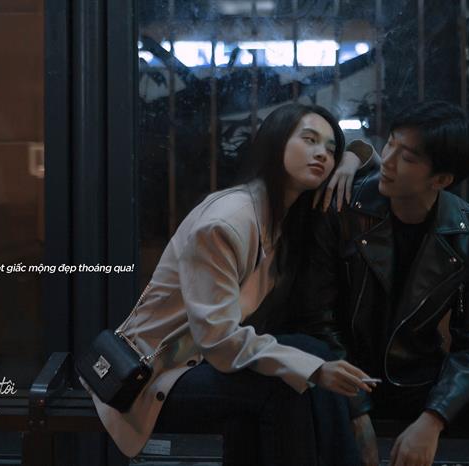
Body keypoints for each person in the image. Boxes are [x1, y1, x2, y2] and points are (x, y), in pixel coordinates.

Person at [88, 103, 379, 465]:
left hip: (204, 361)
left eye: (330, 149)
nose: (322, 153)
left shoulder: (279, 215)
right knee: (288, 384)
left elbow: (373, 156)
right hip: (156, 378)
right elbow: (219, 340)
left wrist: (349, 159)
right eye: (309, 140)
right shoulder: (227, 223)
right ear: (275, 143)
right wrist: (316, 371)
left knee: (310, 350)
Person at [297, 100, 469, 466]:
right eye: (390, 144)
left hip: (419, 378)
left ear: (441, 180)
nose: (388, 160)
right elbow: (317, 320)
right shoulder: (346, 208)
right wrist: (357, 410)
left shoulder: (467, 231)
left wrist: (435, 416)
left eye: (407, 157)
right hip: (344, 372)